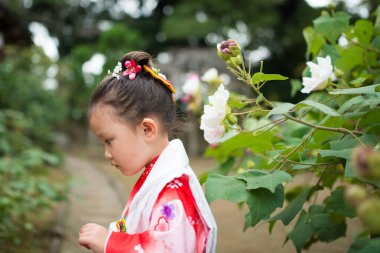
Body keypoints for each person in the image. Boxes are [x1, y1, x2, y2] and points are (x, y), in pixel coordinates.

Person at [78, 51, 217, 253]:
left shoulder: (174, 188)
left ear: (147, 130)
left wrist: (110, 243)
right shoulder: (161, 178)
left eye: (109, 141)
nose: (107, 154)